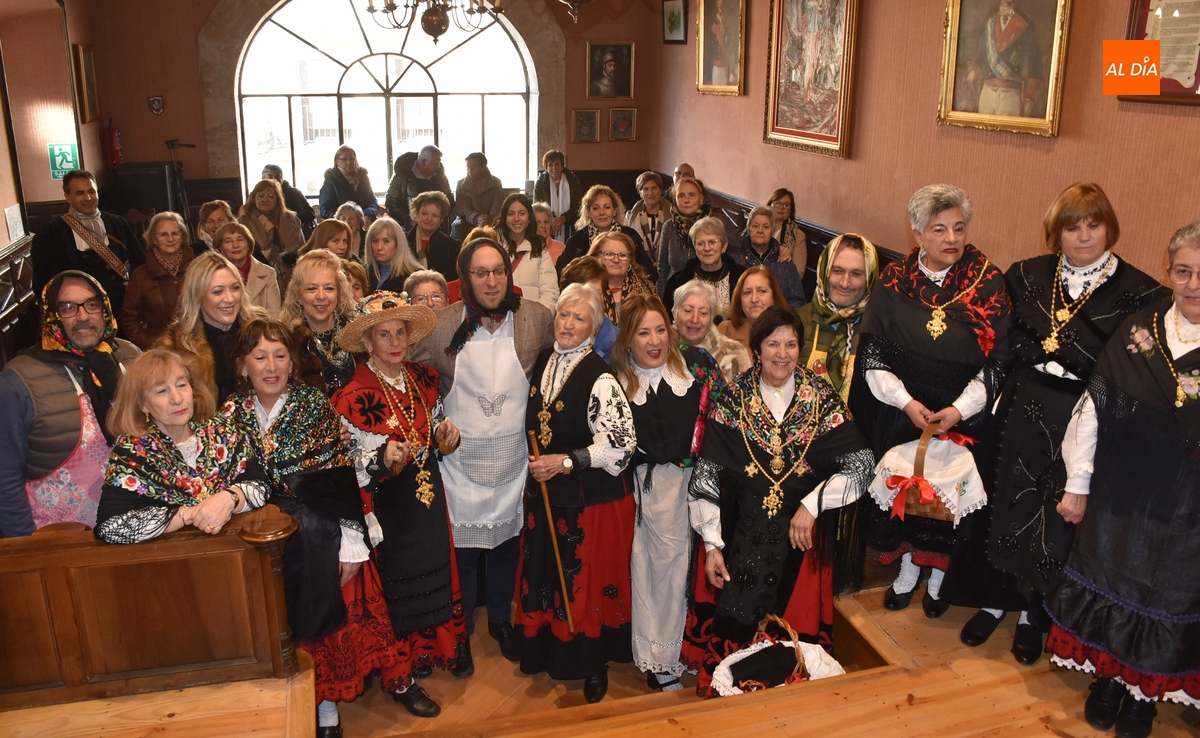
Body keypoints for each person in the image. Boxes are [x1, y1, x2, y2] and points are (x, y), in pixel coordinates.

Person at [943, 184, 1167, 663]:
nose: (1083, 235)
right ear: (1056, 232)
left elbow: (1141, 377)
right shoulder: (1025, 275)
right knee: (1000, 511)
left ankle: (1033, 614)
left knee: (1054, 521)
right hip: (1017, 412)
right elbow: (999, 356)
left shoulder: (1142, 293)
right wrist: (963, 408)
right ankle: (993, 603)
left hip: (1080, 422)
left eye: (1093, 224)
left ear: (1109, 228)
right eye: (1072, 226)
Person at [1043, 221, 1200, 738]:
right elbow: (1093, 409)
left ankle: (1142, 696)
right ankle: (1108, 680)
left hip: (1188, 506)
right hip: (1121, 490)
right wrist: (1077, 484)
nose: (1193, 284)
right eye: (1183, 271)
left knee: (1167, 594)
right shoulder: (1139, 329)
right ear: (1168, 270)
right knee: (1110, 580)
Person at [682, 307, 875, 697]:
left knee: (792, 655)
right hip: (740, 536)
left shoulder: (818, 395)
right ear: (756, 349)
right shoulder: (735, 397)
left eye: (791, 344)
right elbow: (706, 476)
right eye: (773, 343)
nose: (782, 353)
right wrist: (712, 544)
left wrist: (813, 504)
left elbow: (862, 465)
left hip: (798, 541)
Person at [225, 319, 400, 735]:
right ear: (242, 364)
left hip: (315, 535)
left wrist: (352, 542)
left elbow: (338, 477)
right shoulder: (230, 413)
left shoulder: (313, 405)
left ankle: (324, 707)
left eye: (280, 355)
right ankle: (275, 707)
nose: (271, 366)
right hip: (255, 538)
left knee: (317, 628)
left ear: (292, 362)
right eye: (260, 356)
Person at [849, 184, 1013, 619]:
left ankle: (939, 580)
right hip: (905, 413)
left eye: (959, 228)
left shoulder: (988, 282)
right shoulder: (894, 281)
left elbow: (999, 361)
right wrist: (905, 403)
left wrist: (958, 410)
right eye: (939, 230)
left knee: (947, 499)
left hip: (962, 414)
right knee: (910, 495)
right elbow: (873, 354)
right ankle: (908, 570)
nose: (951, 239)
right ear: (918, 234)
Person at [409, 238, 554, 667]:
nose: (491, 282)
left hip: (512, 460)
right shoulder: (440, 325)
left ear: (509, 274)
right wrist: (436, 424)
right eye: (480, 273)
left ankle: (499, 623)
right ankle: (461, 631)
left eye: (498, 271)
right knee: (465, 551)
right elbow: (415, 383)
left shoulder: (536, 318)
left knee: (508, 545)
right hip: (459, 463)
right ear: (464, 278)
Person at [333, 293, 470, 718]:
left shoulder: (425, 380)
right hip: (386, 506)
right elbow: (346, 466)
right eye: (383, 334)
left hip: (427, 498)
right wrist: (379, 460)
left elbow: (437, 438)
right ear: (369, 343)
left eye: (400, 333)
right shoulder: (352, 397)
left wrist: (449, 439)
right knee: (396, 586)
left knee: (433, 571)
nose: (394, 341)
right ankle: (402, 675)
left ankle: (435, 651)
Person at [515, 283, 638, 703]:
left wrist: (566, 462)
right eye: (564, 315)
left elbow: (622, 445)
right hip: (548, 496)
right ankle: (550, 650)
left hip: (591, 502)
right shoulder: (546, 360)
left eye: (579, 318)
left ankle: (592, 663)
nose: (568, 324)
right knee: (550, 577)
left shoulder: (601, 377)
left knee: (583, 581)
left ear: (593, 327)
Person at [610, 293, 720, 692]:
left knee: (696, 572)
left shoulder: (695, 367)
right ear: (628, 339)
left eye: (660, 330)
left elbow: (719, 420)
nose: (654, 340)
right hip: (654, 492)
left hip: (701, 485)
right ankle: (660, 656)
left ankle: (689, 648)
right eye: (643, 332)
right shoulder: (619, 384)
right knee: (660, 572)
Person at [0, 272, 140, 536]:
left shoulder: (131, 358)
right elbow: (4, 479)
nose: (83, 316)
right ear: (50, 315)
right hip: (62, 546)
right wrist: (28, 549)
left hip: (137, 527)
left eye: (92, 304)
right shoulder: (17, 381)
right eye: (67, 308)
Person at [93, 349, 268, 544]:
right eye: (162, 391)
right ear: (142, 404)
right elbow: (111, 527)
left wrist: (230, 499)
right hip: (173, 563)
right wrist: (189, 514)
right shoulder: (132, 453)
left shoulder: (222, 432)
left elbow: (262, 486)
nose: (177, 399)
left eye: (181, 385)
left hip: (237, 550)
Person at [33, 170, 144, 326]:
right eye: (80, 193)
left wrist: (134, 285)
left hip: (123, 309)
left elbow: (140, 262)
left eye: (92, 191)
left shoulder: (117, 223)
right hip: (80, 315)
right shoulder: (50, 235)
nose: (88, 198)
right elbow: (42, 285)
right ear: (67, 196)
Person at [156, 250, 266, 404]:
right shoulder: (176, 346)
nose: (229, 298)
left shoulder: (263, 332)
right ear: (198, 296)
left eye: (235, 288)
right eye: (217, 291)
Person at [797, 233, 880, 400]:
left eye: (856, 274)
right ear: (824, 272)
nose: (844, 283)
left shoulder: (879, 331)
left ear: (869, 279)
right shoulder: (797, 321)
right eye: (837, 271)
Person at [280, 249, 359, 395]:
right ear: (298, 295)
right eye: (311, 289)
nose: (321, 296)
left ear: (339, 292)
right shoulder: (288, 340)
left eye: (329, 288)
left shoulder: (357, 331)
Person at [123, 211, 196, 349]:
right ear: (153, 239)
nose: (170, 239)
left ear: (183, 236)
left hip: (197, 348)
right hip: (159, 351)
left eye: (175, 233)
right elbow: (130, 320)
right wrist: (155, 345)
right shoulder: (140, 276)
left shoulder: (199, 268)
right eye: (163, 234)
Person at [964, 0, 1044, 118]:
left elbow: (1035, 64)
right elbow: (980, 55)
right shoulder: (989, 22)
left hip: (1011, 95)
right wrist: (973, 70)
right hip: (987, 94)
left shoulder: (1025, 24)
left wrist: (1029, 99)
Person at [555, 184, 654, 279]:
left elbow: (649, 272)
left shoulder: (630, 236)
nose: (602, 212)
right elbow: (562, 272)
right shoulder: (576, 240)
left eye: (607, 207)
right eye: (596, 208)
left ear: (614, 210)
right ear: (589, 212)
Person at [662, 216, 747, 316]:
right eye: (700, 243)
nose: (706, 248)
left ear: (724, 246)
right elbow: (669, 320)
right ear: (695, 248)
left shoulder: (743, 278)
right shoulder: (676, 283)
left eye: (712, 242)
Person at [673, 279, 753, 382]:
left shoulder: (735, 355)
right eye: (688, 310)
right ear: (674, 314)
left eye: (703, 313)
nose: (694, 319)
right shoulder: (661, 351)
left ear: (711, 319)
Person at [496, 193, 559, 310]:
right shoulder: (495, 247)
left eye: (522, 213)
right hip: (500, 320)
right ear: (504, 217)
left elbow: (550, 291)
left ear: (529, 217)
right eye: (511, 214)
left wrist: (537, 317)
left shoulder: (539, 248)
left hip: (532, 321)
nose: (516, 219)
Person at [733, 206, 805, 307]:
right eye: (755, 226)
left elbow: (798, 300)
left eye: (766, 227)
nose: (760, 230)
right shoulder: (735, 259)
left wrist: (781, 318)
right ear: (749, 229)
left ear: (773, 231)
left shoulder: (784, 260)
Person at [214, 222, 282, 317]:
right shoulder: (213, 275)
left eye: (240, 240)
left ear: (248, 244)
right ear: (220, 248)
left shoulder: (267, 272)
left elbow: (274, 314)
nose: (235, 245)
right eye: (228, 241)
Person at [657, 177, 712, 290]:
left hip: (706, 293)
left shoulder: (712, 225)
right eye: (681, 196)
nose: (686, 200)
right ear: (675, 199)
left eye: (691, 195)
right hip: (674, 292)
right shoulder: (669, 227)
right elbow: (662, 268)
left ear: (701, 198)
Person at [587, 230, 655, 322]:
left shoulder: (648, 288)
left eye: (622, 255)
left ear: (630, 260)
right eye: (609, 254)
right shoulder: (585, 289)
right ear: (595, 257)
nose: (616, 260)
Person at [558, 256, 618, 360]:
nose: (590, 301)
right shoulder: (548, 336)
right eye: (580, 293)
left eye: (597, 293)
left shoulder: (618, 341)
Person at [239, 178, 306, 268]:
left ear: (277, 200)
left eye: (270, 196)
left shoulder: (292, 220)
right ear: (254, 198)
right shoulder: (243, 221)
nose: (265, 200)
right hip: (256, 271)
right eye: (261, 195)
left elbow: (302, 249)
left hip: (289, 271)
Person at [719, 266, 790, 350]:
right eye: (747, 292)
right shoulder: (726, 330)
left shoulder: (789, 331)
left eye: (762, 291)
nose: (754, 299)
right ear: (740, 300)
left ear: (774, 296)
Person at [385, 145, 454, 228]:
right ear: (424, 162)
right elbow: (391, 202)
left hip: (436, 228)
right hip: (409, 228)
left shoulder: (440, 176)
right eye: (436, 163)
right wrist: (410, 219)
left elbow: (449, 200)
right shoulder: (401, 176)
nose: (439, 166)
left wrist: (438, 217)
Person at [407, 190, 461, 282]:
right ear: (416, 214)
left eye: (435, 215)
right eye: (424, 213)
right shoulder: (401, 241)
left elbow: (453, 281)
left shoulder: (452, 246)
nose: (429, 219)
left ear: (441, 219)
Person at [626, 171, 675, 267]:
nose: (650, 193)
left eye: (654, 188)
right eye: (645, 189)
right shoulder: (630, 217)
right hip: (640, 268)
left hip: (666, 266)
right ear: (640, 193)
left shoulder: (673, 215)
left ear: (660, 190)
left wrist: (662, 262)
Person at [451, 152, 503, 242]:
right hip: (467, 221)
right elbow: (461, 208)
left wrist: (488, 219)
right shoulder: (461, 184)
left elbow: (498, 204)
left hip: (490, 221)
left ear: (483, 166)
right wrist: (476, 218)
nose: (470, 170)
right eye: (468, 167)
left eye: (474, 167)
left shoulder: (496, 183)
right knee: (457, 227)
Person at [363, 217, 422, 294]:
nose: (379, 247)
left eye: (386, 241)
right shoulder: (363, 274)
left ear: (398, 244)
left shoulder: (415, 277)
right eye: (375, 241)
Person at [533, 150, 581, 242]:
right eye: (550, 165)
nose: (554, 168)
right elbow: (538, 206)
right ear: (546, 167)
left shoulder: (573, 181)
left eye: (557, 164)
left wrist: (564, 218)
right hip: (547, 226)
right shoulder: (540, 183)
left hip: (570, 227)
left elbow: (578, 207)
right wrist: (554, 220)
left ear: (562, 166)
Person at [319, 146, 378, 220]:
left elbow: (372, 201)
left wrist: (368, 215)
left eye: (352, 159)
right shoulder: (331, 180)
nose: (349, 162)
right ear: (337, 161)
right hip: (342, 225)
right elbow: (325, 210)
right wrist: (346, 218)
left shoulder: (363, 177)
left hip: (365, 222)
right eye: (344, 159)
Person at [263, 164, 316, 236]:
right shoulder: (258, 195)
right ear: (263, 178)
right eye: (270, 176)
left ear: (282, 178)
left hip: (292, 232)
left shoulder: (294, 193)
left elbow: (309, 213)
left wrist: (287, 220)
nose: (274, 179)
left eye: (277, 177)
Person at [766, 188, 803, 266]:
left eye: (786, 205)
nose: (781, 207)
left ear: (790, 211)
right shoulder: (758, 224)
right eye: (777, 203)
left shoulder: (798, 235)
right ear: (769, 205)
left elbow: (799, 271)